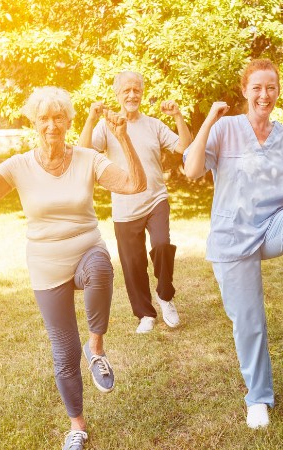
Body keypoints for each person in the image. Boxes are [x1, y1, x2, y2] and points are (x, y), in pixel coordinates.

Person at [0, 87, 147, 450]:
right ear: (33, 123)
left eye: (58, 117)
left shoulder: (88, 159)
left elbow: (135, 184)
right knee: (63, 353)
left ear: (69, 122)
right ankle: (77, 425)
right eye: (43, 118)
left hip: (85, 247)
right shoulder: (19, 166)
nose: (51, 125)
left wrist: (122, 137)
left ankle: (97, 349)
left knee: (102, 267)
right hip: (46, 263)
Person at [183, 59, 283, 429]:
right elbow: (191, 169)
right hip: (233, 236)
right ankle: (258, 398)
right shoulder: (226, 129)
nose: (264, 95)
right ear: (245, 91)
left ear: (278, 92)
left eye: (271, 88)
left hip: (271, 228)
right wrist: (208, 122)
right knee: (250, 323)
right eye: (257, 88)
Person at [79, 71, 192, 334]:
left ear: (141, 93)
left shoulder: (153, 125)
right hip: (124, 206)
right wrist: (91, 118)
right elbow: (84, 153)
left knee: (162, 244)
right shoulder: (107, 126)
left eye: (136, 90)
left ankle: (165, 295)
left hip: (155, 199)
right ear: (117, 95)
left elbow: (185, 147)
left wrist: (178, 117)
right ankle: (145, 314)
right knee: (133, 263)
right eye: (126, 91)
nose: (132, 95)